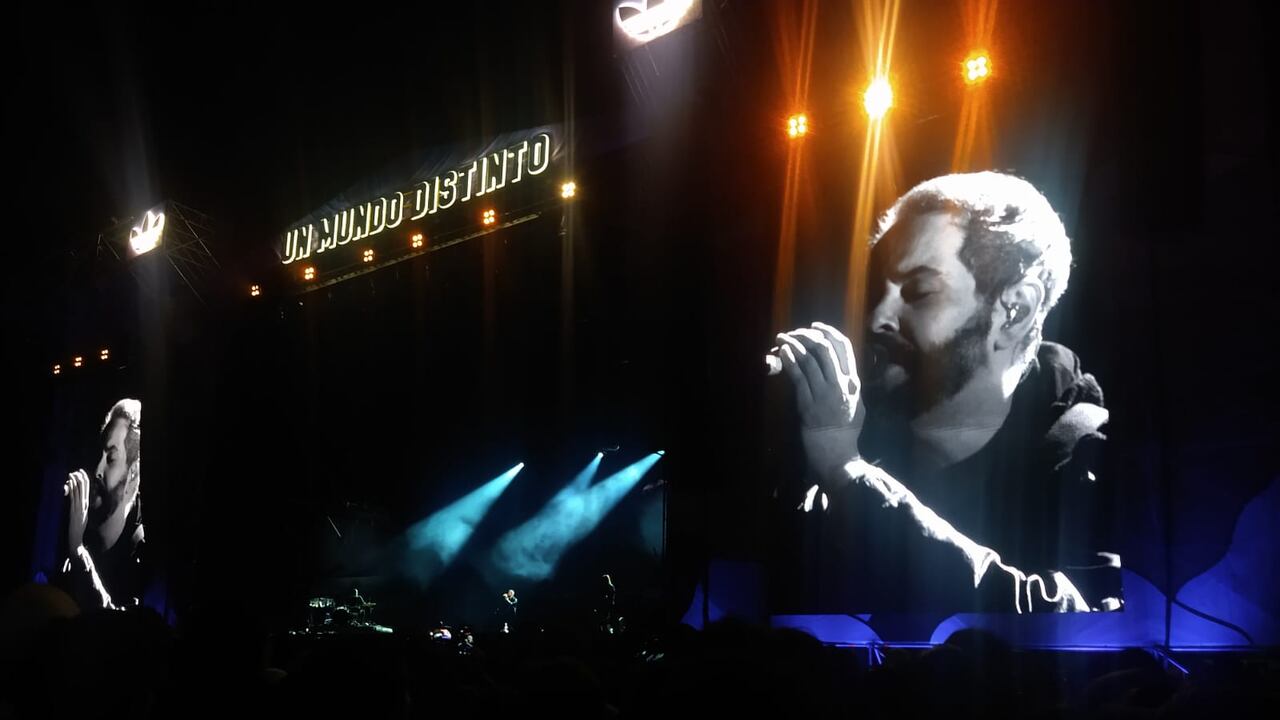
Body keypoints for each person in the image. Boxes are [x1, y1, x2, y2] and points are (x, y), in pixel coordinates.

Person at [771, 172, 1120, 613]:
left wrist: (848, 472)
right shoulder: (857, 427)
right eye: (877, 290)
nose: (878, 316)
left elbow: (1074, 621)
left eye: (919, 290)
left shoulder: (1091, 450)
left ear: (1016, 309)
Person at [58, 398, 146, 610]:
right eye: (101, 455)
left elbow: (114, 626)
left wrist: (78, 550)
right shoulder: (87, 532)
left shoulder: (142, 549)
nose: (98, 469)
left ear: (132, 473)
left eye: (111, 458)